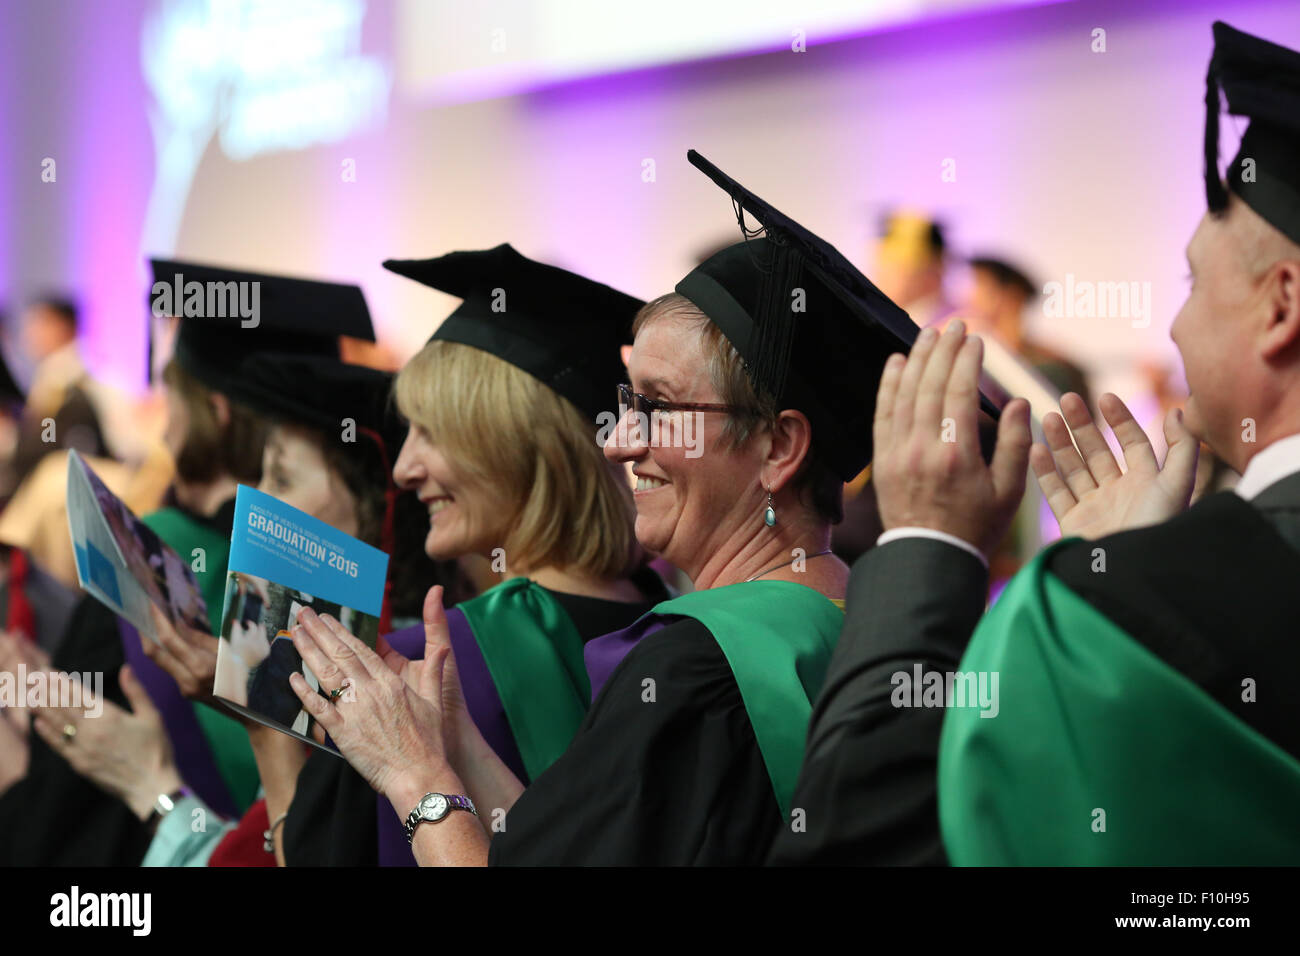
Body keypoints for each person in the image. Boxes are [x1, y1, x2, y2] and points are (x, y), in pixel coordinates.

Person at [287, 151, 932, 865]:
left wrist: (415, 777)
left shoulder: (697, 670)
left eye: (657, 407)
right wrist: (456, 740)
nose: (621, 441)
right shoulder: (859, 628)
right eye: (628, 403)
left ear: (779, 447)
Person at [775, 20, 1300, 866]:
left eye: (1194, 282)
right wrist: (1129, 573)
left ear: (1280, 307)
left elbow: (865, 842)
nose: (1173, 322)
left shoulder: (1113, 617)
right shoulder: (1141, 596)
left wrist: (927, 545)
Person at [283, 245, 670, 866]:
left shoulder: (421, 670)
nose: (404, 469)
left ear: (517, 448)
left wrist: (263, 724)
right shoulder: (679, 633)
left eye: (432, 432)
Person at [0, 260, 376, 865]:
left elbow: (49, 833)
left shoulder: (142, 563)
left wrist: (20, 760)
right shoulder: (337, 592)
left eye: (168, 385)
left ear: (214, 410)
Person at [36, 353, 448, 866]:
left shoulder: (403, 680)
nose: (256, 505)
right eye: (259, 475)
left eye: (281, 477)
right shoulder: (312, 660)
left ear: (373, 509)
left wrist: (257, 718)